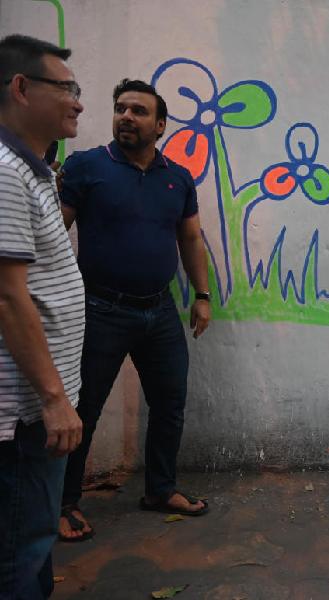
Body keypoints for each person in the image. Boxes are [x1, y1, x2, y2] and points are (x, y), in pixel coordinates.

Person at [57, 79, 212, 542]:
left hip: (159, 311)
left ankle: (160, 490)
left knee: (170, 404)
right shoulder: (86, 167)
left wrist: (201, 296)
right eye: (121, 108)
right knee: (84, 409)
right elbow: (54, 234)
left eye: (139, 111)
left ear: (160, 125)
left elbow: (189, 238)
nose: (126, 116)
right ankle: (64, 503)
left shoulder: (178, 177)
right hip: (100, 308)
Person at [0, 34, 85, 598]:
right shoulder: (5, 172)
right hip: (24, 413)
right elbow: (8, 296)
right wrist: (54, 400)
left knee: (30, 542)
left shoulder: (34, 170)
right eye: (67, 88)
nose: (78, 102)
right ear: (22, 88)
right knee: (17, 550)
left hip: (39, 406)